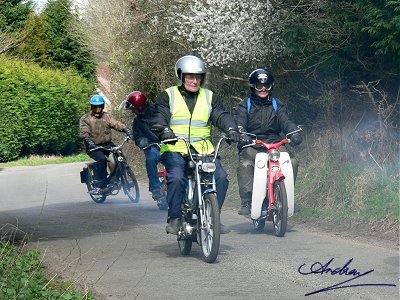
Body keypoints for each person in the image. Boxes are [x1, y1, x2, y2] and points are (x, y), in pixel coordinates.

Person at [153, 55, 241, 235]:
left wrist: (231, 128)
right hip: (175, 147)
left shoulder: (209, 97)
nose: (194, 81)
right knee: (177, 177)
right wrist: (163, 129)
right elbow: (159, 115)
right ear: (181, 76)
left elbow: (220, 115)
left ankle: (213, 215)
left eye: (198, 77)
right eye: (190, 76)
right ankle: (175, 218)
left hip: (203, 149)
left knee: (221, 177)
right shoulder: (168, 95)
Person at [235, 68, 302, 215]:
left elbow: (286, 121)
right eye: (259, 86)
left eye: (267, 86)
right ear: (253, 86)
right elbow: (239, 122)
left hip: (275, 143)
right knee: (246, 165)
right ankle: (247, 201)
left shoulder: (277, 104)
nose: (263, 89)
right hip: (252, 144)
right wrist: (241, 134)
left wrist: (294, 132)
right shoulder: (244, 105)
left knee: (292, 162)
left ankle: (287, 198)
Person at [80, 94, 133, 192]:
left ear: (103, 106)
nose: (98, 108)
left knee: (119, 157)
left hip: (107, 144)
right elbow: (84, 132)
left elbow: (116, 123)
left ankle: (116, 179)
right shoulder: (86, 119)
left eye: (100, 106)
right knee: (102, 160)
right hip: (93, 146)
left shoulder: (106, 116)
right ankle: (102, 183)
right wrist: (89, 141)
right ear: (92, 107)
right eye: (95, 106)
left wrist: (126, 129)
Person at [125, 91, 164, 203]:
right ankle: (155, 189)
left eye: (133, 108)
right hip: (153, 146)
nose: (132, 111)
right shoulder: (137, 122)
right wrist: (143, 141)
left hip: (169, 143)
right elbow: (137, 136)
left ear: (140, 106)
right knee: (151, 159)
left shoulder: (159, 111)